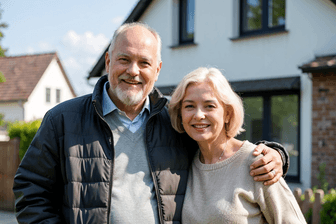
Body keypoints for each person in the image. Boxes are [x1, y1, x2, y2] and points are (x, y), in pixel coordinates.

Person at [13, 22, 288, 224]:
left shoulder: (176, 118)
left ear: (157, 70)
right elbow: (31, 189)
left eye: (144, 63)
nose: (133, 71)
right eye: (124, 60)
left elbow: (219, 144)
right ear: (108, 62)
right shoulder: (63, 119)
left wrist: (275, 153)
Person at [168, 67, 306, 223]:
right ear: (180, 114)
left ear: (227, 113)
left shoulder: (259, 163)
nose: (199, 115)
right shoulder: (184, 163)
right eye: (189, 106)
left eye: (209, 106)